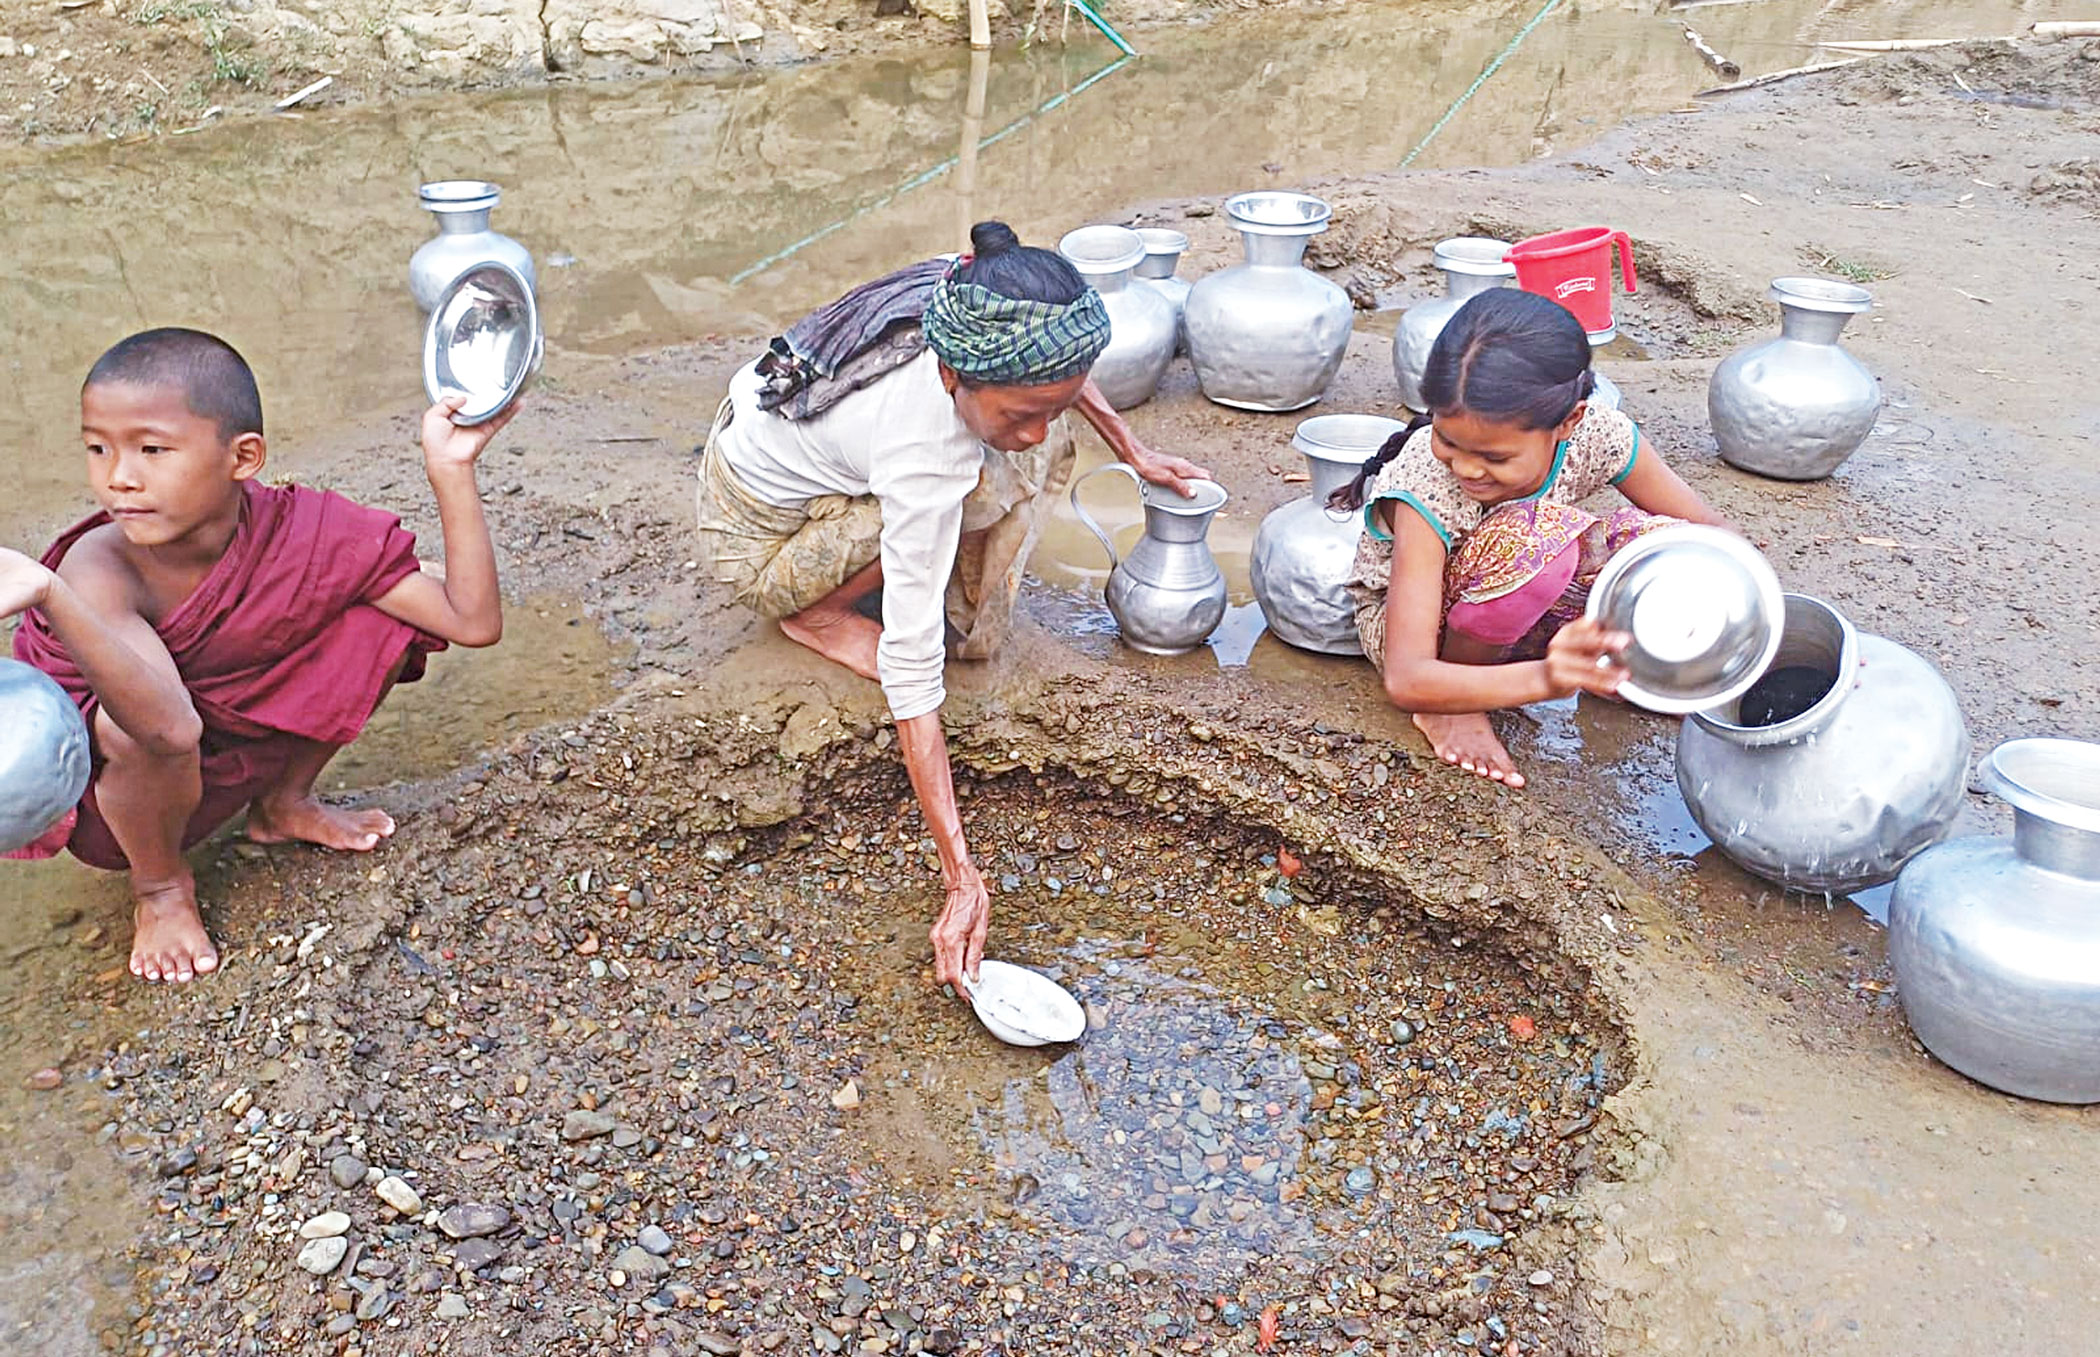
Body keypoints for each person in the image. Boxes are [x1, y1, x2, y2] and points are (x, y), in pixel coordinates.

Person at [695, 220, 1209, 993]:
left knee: (1020, 453)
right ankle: (821, 614)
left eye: (1052, 401)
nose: (1035, 423)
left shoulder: (976, 293)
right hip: (754, 539)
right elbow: (908, 675)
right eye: (1015, 409)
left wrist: (1131, 448)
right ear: (951, 378)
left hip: (788, 438)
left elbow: (1057, 374)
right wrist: (962, 876)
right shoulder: (924, 445)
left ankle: (906, 559)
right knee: (978, 483)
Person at [0, 328, 517, 982]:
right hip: (124, 811)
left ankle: (283, 803)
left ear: (242, 457)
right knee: (122, 722)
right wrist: (52, 590)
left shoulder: (302, 532)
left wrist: (451, 469)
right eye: (97, 448)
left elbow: (470, 620)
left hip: (218, 751)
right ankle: (160, 889)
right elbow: (168, 728)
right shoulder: (100, 567)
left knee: (382, 608)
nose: (118, 478)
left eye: (151, 449)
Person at [1337, 289, 1729, 788]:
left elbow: (1712, 537)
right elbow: (1406, 676)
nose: (1465, 467)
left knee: (1664, 542)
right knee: (1536, 536)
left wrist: (1767, 641)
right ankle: (1455, 704)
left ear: (1569, 422)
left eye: (1494, 457)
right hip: (1419, 637)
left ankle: (1628, 673)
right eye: (1447, 440)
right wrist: (1546, 681)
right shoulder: (1424, 482)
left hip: (1529, 600)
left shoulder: (1600, 435)